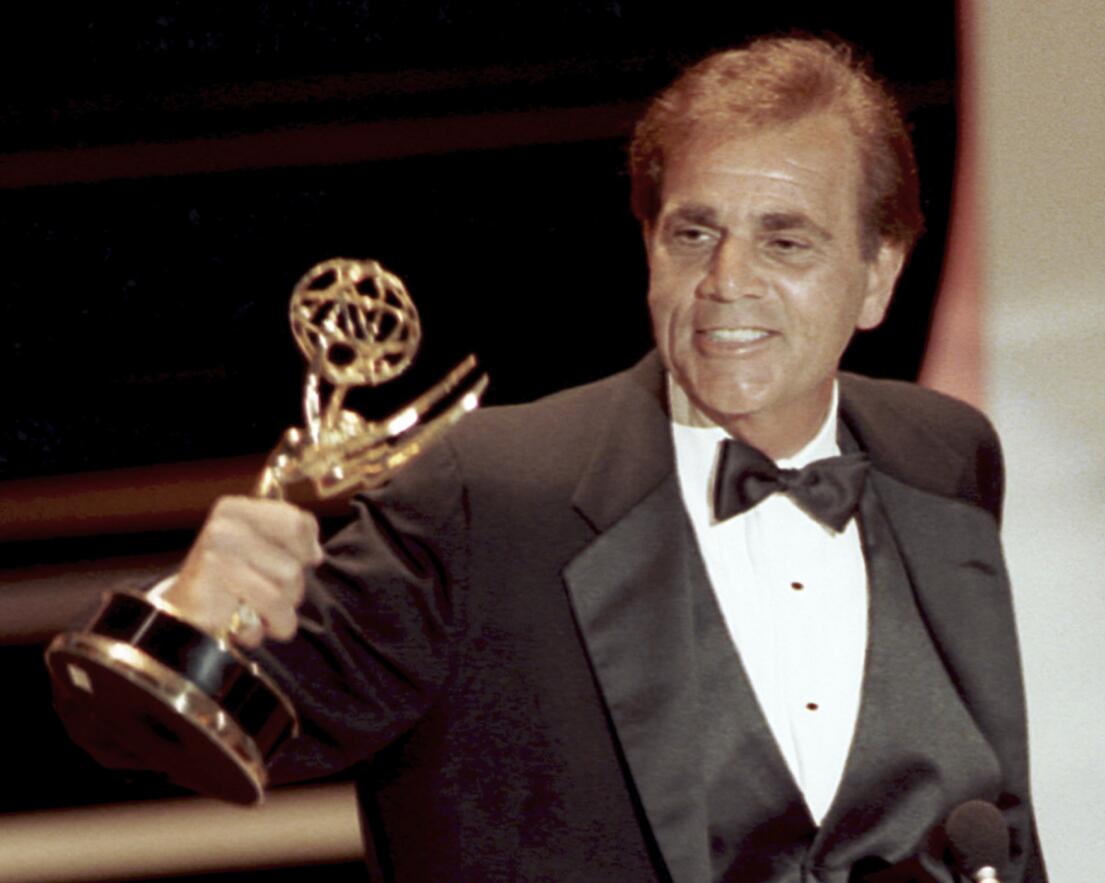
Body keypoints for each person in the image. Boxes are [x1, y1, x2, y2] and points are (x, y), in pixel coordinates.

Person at [64, 35, 1045, 882]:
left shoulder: (944, 458)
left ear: (879, 276)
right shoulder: (489, 495)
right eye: (693, 233)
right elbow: (171, 735)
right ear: (648, 244)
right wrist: (185, 625)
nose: (726, 282)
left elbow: (992, 816)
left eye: (786, 241)